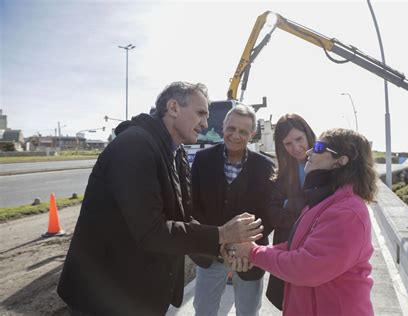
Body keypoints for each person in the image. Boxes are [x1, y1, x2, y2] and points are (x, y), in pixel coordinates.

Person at [57, 82, 264, 316]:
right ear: (173, 107)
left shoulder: (178, 154)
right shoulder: (134, 146)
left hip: (138, 295)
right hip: (104, 296)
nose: (206, 124)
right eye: (200, 113)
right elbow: (152, 231)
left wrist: (221, 246)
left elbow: (182, 219)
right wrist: (222, 234)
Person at [230, 128, 377, 315]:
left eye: (319, 147)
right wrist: (251, 250)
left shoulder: (347, 212)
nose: (309, 152)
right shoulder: (324, 202)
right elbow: (296, 247)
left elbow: (306, 267)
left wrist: (253, 253)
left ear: (341, 161)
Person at [190, 104, 275, 316]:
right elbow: (193, 205)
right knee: (203, 309)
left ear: (252, 134)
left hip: (249, 258)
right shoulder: (202, 160)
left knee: (248, 311)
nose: (235, 135)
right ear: (223, 127)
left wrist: (245, 245)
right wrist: (218, 240)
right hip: (209, 253)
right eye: (231, 128)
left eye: (243, 131)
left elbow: (269, 215)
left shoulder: (266, 167)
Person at [266, 113, 316, 310]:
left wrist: (289, 204)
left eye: (299, 139)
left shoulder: (329, 165)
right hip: (289, 248)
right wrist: (304, 210)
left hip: (318, 250)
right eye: (288, 143)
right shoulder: (282, 173)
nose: (295, 148)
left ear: (308, 135)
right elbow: (272, 212)